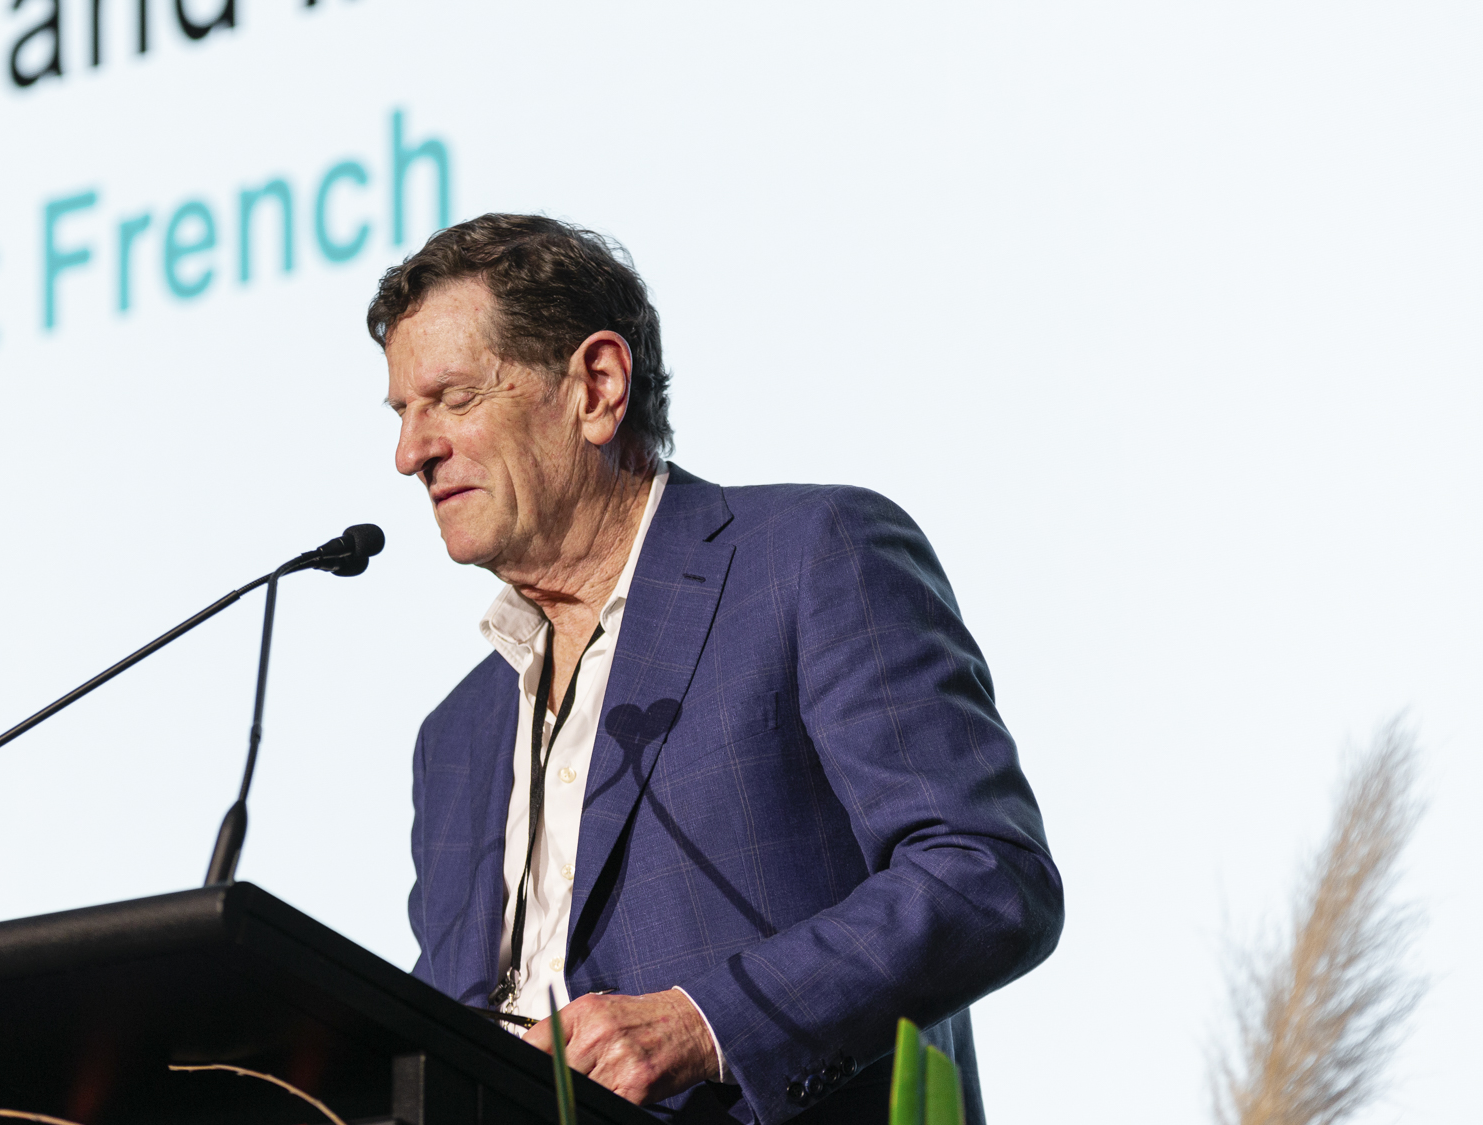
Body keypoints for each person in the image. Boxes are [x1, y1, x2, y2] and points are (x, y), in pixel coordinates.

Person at [371, 214, 1062, 1125]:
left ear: (597, 387)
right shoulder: (455, 737)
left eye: (453, 398)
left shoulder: (812, 557)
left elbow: (986, 873)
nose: (410, 452)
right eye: (402, 413)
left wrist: (709, 1022)